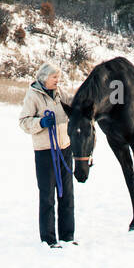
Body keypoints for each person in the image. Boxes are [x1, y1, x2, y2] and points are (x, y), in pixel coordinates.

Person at [18, 60, 77, 248]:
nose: (57, 80)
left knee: (67, 194)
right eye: (54, 77)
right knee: (47, 196)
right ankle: (49, 239)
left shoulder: (60, 94)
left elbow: (72, 107)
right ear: (44, 78)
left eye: (58, 77)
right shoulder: (33, 96)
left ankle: (67, 236)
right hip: (45, 152)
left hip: (65, 149)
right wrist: (41, 123)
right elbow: (24, 122)